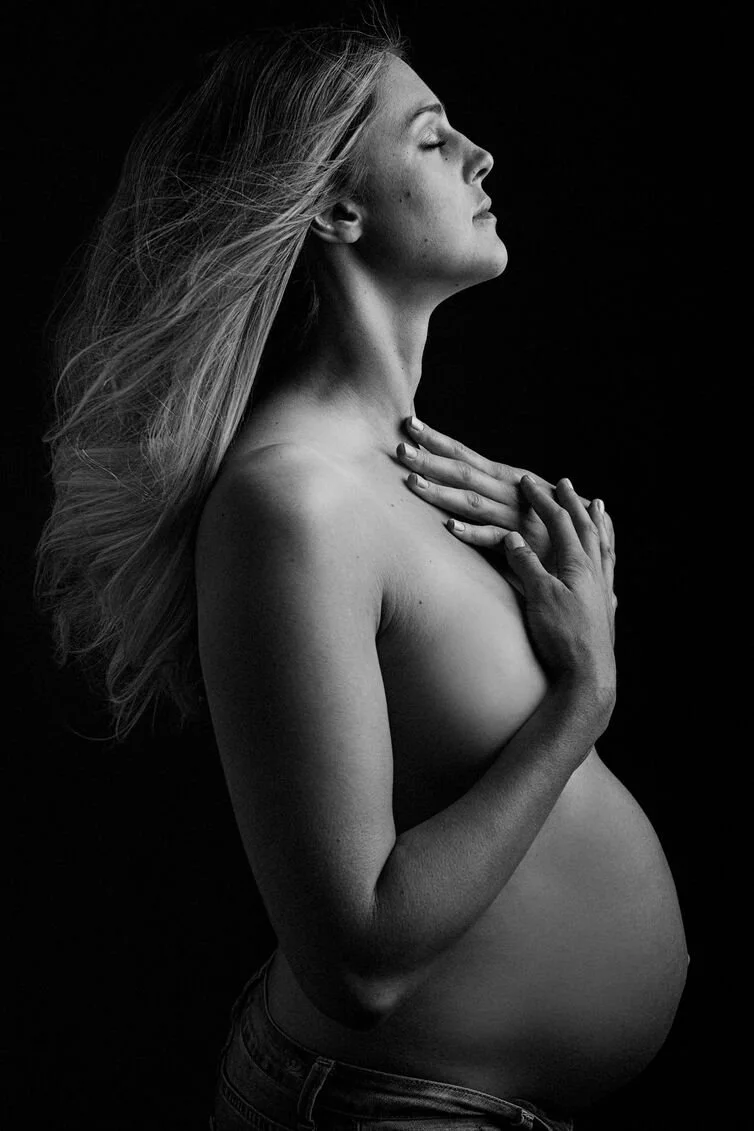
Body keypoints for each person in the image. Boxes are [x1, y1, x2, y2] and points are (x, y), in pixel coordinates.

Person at [33, 12, 688, 1131]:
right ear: (335, 208)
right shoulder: (293, 501)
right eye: (432, 138)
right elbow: (358, 960)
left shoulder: (396, 471)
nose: (481, 155)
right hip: (390, 1109)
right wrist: (583, 697)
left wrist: (563, 571)